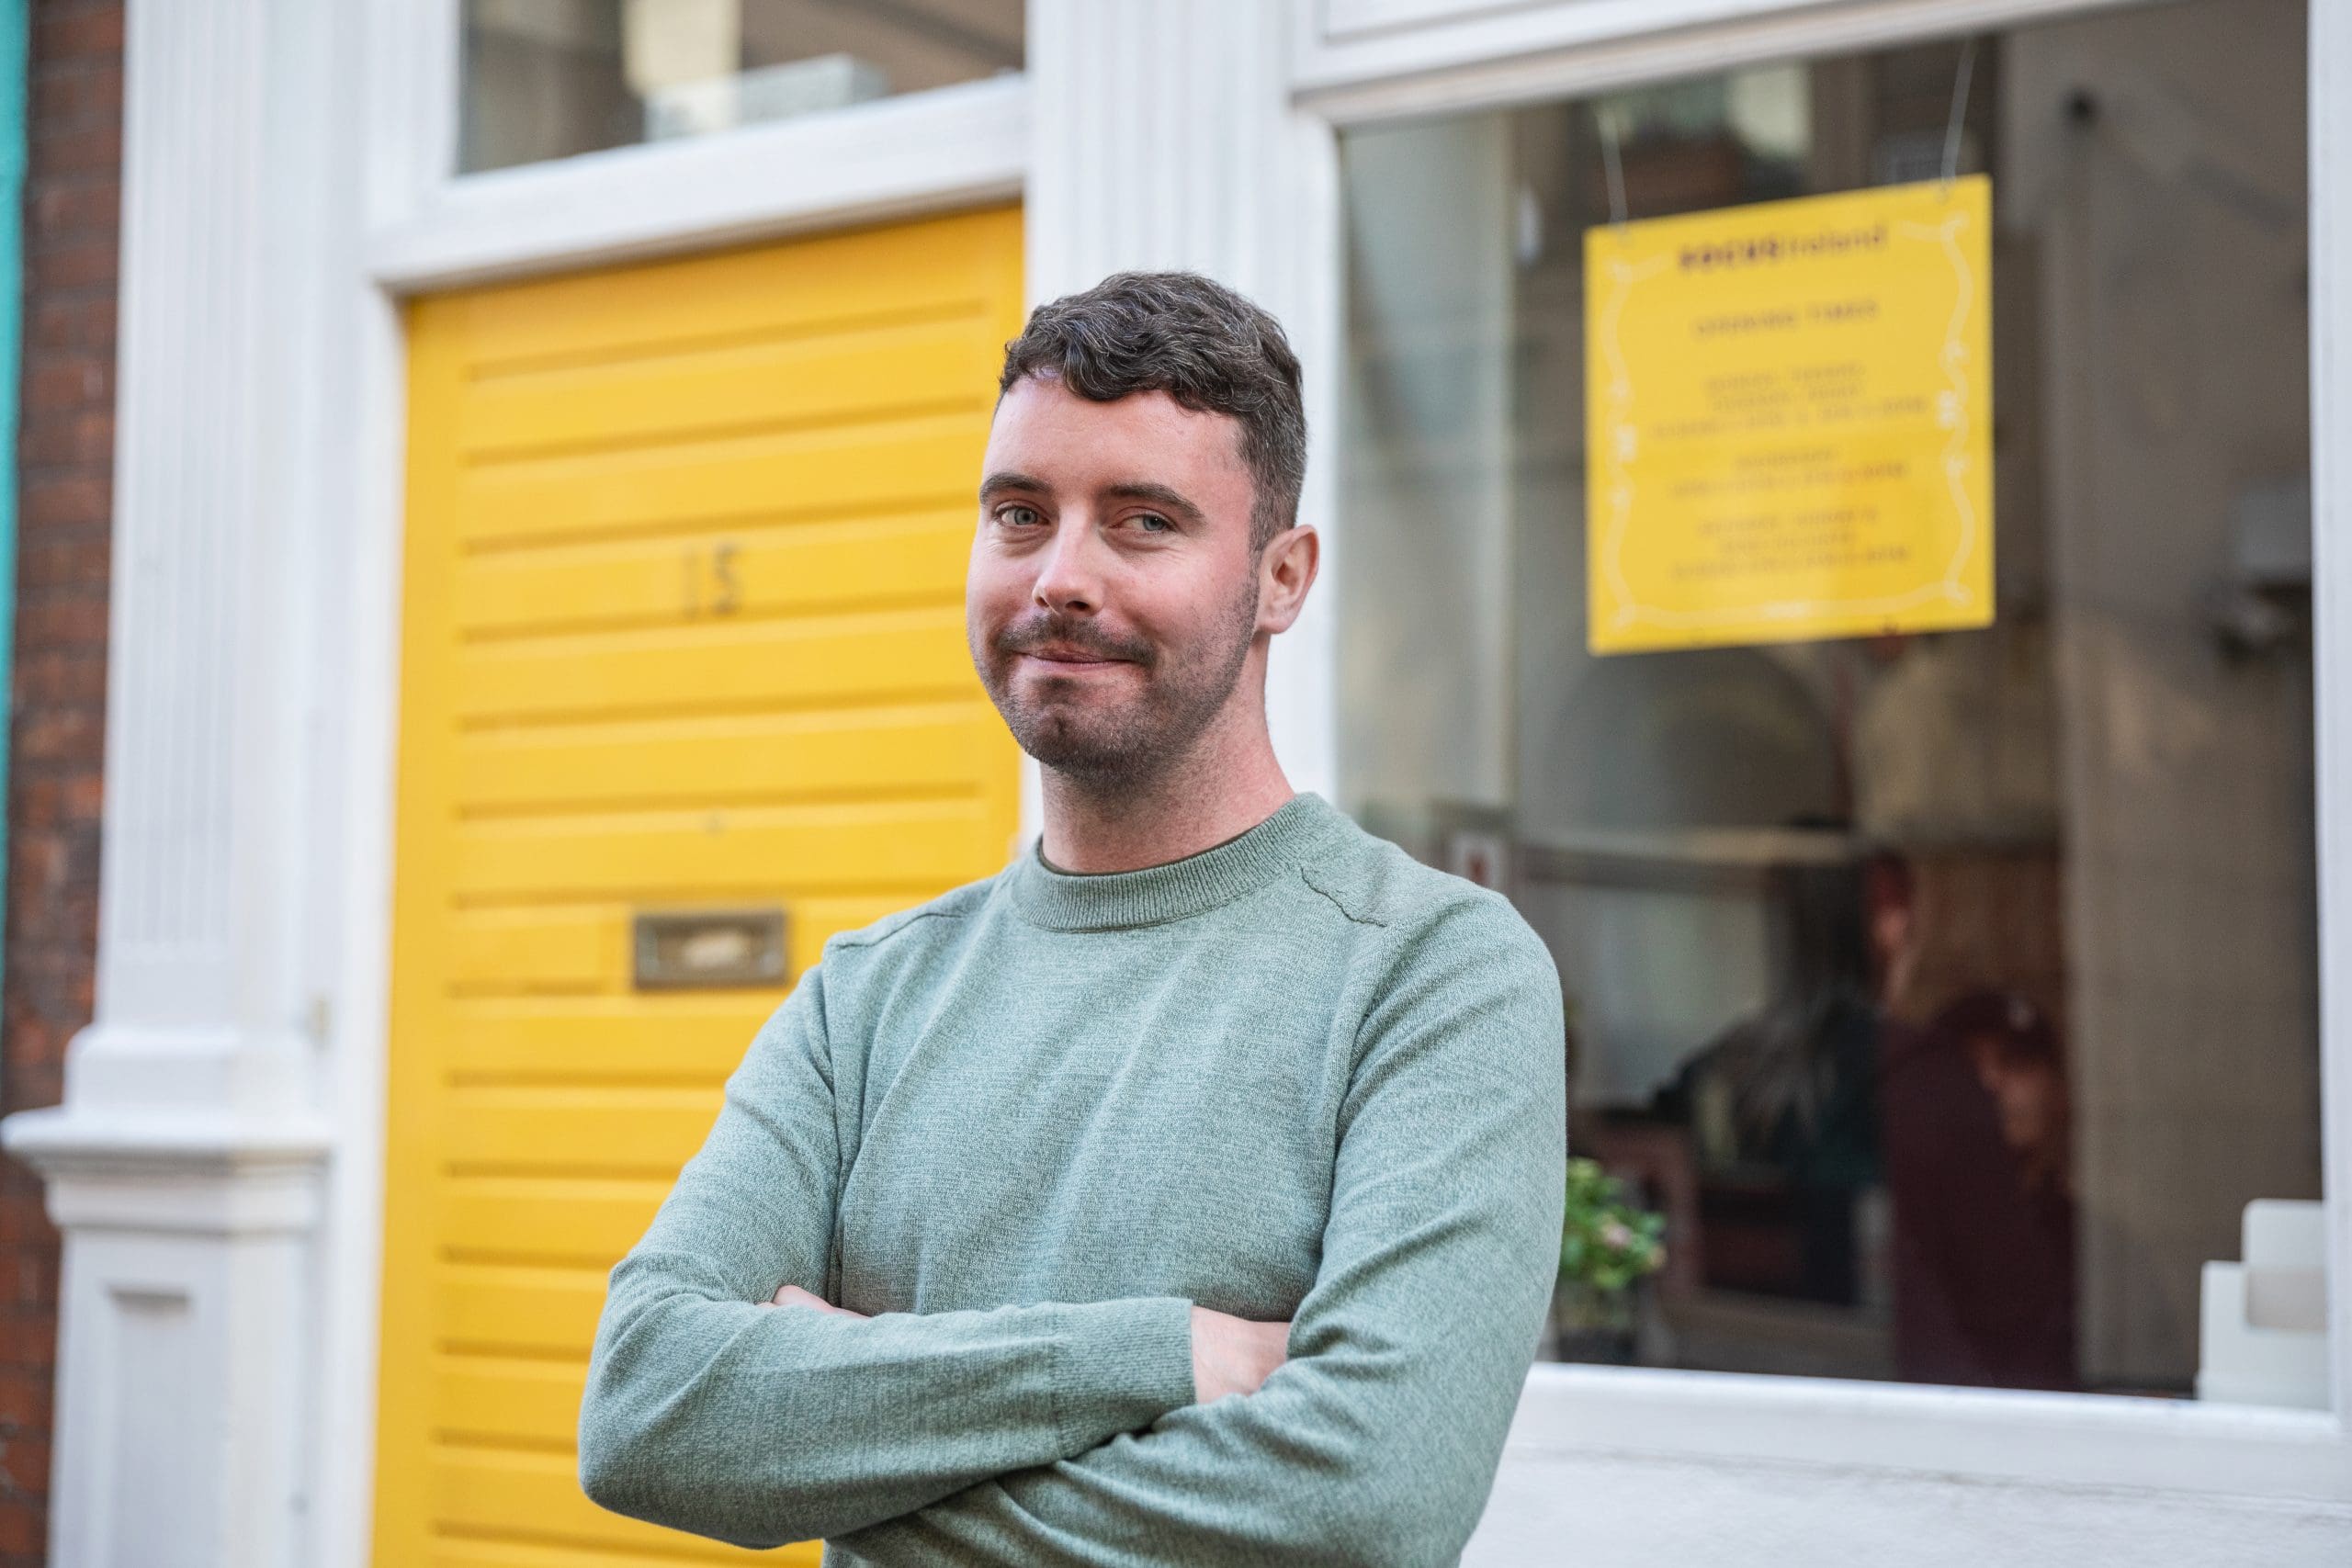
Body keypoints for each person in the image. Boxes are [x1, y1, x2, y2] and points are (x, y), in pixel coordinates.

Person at [576, 272, 1569, 1565]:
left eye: (1144, 522)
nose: (1059, 578)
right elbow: (648, 1409)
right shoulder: (867, 999)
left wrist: (850, 1436)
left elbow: (1366, 1504)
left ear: (1281, 577)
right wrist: (1156, 1353)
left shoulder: (1433, 973)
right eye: (1019, 515)